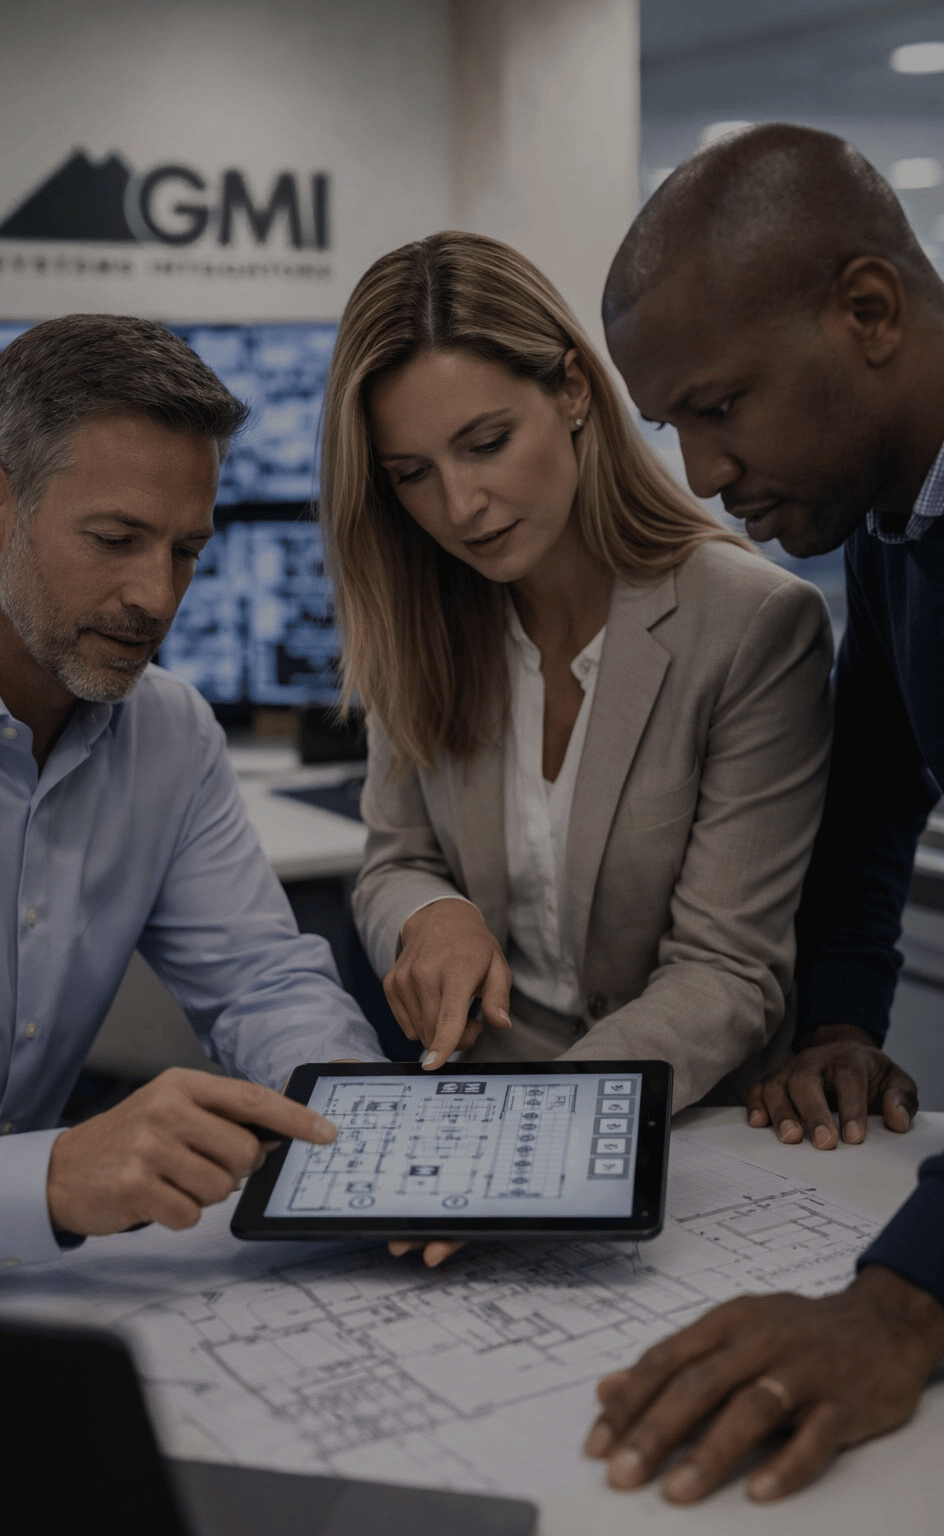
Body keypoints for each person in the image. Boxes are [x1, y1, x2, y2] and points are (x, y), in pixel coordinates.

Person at [586, 121, 944, 1500]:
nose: (699, 476)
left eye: (720, 407)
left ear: (868, 312)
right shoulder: (902, 518)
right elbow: (875, 776)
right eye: (671, 424)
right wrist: (843, 1012)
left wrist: (903, 1304)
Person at [321, 230, 833, 1123]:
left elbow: (726, 972)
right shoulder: (424, 612)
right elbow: (395, 861)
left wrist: (545, 1128)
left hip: (683, 1122)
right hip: (475, 1104)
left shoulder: (751, 623)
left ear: (571, 389)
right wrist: (432, 913)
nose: (459, 506)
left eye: (485, 443)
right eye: (412, 475)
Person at [0, 314, 385, 1289]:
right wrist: (46, 1179)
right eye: (117, 539)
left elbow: (262, 982)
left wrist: (359, 1134)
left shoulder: (169, 733)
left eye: (184, 550)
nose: (156, 597)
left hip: (18, 1292)